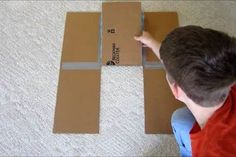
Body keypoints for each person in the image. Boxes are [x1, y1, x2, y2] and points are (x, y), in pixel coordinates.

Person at [134, 26, 236, 157]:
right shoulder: (229, 66)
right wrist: (152, 42)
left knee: (180, 120)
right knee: (180, 120)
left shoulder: (210, 151)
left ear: (176, 90)